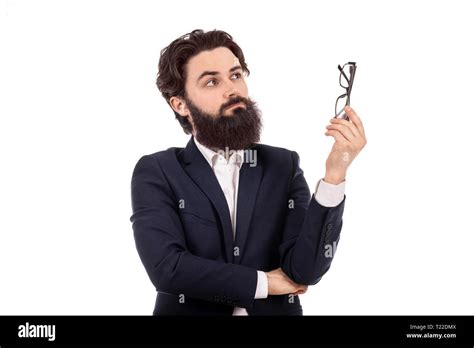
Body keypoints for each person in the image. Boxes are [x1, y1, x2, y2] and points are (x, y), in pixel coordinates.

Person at [130, 29, 367, 315]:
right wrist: (264, 283)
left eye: (235, 75)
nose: (232, 89)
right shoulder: (158, 171)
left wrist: (335, 173)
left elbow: (306, 269)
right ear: (180, 105)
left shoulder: (283, 165)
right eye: (211, 81)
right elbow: (167, 268)